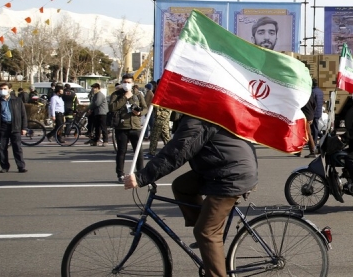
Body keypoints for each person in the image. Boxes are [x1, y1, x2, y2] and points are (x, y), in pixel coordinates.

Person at [124, 115, 258, 277]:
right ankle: (210, 247)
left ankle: (210, 247)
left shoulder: (198, 118)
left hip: (231, 176)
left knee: (206, 232)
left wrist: (142, 177)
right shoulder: (199, 113)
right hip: (220, 168)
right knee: (181, 186)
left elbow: (177, 152)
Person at [109, 73, 147, 183]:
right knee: (121, 152)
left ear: (133, 83)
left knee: (138, 151)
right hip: (121, 127)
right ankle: (120, 174)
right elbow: (112, 107)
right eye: (124, 82)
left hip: (135, 126)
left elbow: (145, 108)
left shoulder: (138, 94)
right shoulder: (116, 94)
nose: (126, 84)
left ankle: (140, 173)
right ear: (121, 83)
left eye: (129, 82)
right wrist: (125, 97)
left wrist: (139, 113)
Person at [0, 83, 28, 173]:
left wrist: (24, 128)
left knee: (17, 147)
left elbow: (23, 115)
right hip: (2, 127)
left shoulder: (17, 100)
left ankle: (21, 166)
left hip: (15, 126)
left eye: (5, 88)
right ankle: (4, 166)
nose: (2, 90)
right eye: (1, 89)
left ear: (10, 89)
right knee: (2, 148)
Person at [311, 78, 324, 144]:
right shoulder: (320, 91)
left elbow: (312, 102)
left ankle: (314, 142)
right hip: (319, 112)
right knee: (314, 126)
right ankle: (321, 136)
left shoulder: (313, 91)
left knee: (314, 127)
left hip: (314, 112)